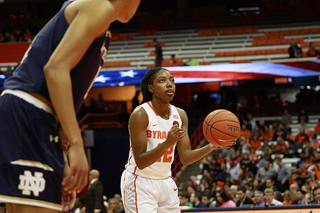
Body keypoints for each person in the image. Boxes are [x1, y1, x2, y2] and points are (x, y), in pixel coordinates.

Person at [0, 0, 141, 212]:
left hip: (32, 116)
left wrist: (62, 160)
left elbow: (65, 96)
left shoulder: (102, 24)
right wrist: (77, 144)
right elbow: (55, 69)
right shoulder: (99, 7)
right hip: (29, 112)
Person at [120, 67, 230, 213]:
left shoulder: (180, 115)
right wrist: (167, 143)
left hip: (166, 181)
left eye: (172, 80)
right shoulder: (141, 114)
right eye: (162, 80)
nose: (169, 84)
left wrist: (210, 147)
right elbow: (140, 161)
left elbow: (185, 158)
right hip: (140, 181)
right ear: (150, 88)